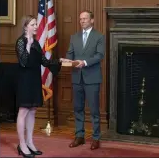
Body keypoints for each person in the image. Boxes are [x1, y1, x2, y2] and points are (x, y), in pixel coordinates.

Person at [15, 15, 62, 158]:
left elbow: (44, 61)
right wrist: (28, 45)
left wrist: (59, 61)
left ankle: (30, 142)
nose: (36, 26)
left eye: (36, 24)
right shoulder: (21, 42)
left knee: (33, 110)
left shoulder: (36, 43)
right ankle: (22, 144)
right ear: (25, 27)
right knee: (23, 110)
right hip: (24, 81)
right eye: (33, 24)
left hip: (35, 80)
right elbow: (23, 62)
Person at [64, 10, 105, 150]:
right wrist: (66, 60)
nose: (82, 21)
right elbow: (70, 54)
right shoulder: (74, 37)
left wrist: (85, 62)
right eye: (80, 19)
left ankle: (95, 138)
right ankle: (79, 136)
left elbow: (99, 55)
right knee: (78, 109)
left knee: (94, 110)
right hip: (77, 78)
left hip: (92, 78)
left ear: (92, 20)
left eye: (85, 19)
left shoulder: (99, 36)